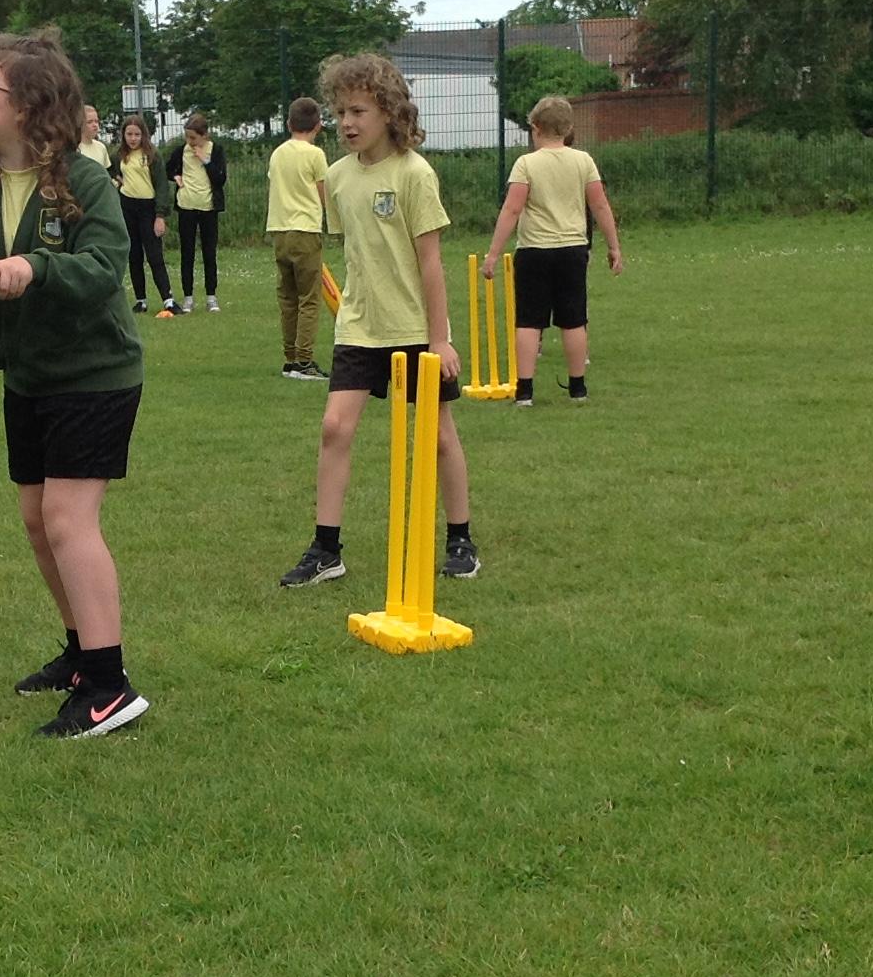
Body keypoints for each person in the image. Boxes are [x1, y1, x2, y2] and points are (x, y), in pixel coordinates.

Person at [0, 31, 150, 737]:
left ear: (26, 105)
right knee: (38, 522)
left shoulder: (86, 181)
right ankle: (80, 654)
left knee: (69, 520)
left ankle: (108, 686)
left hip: (94, 374)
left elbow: (103, 267)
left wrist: (36, 267)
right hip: (29, 376)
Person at [278, 53, 480, 587]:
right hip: (359, 329)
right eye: (340, 112)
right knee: (334, 428)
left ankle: (461, 539)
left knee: (438, 438)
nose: (346, 123)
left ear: (388, 112)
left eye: (358, 112)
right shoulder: (337, 177)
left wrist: (440, 339)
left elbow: (430, 263)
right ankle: (326, 550)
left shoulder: (415, 174)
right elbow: (359, 253)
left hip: (414, 330)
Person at [481, 95, 622, 406]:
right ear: (568, 128)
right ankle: (577, 389)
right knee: (573, 319)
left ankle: (525, 391)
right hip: (573, 250)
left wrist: (493, 253)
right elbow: (599, 205)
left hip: (534, 251)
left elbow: (512, 209)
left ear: (535, 127)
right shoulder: (583, 161)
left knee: (529, 321)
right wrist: (614, 246)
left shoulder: (526, 164)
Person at [265, 96, 332, 378]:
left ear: (289, 123)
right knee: (309, 298)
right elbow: (323, 192)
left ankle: (290, 358)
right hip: (305, 229)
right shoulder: (315, 155)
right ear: (317, 126)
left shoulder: (278, 153)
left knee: (288, 297)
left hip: (279, 230)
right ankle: (304, 361)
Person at [114, 112, 177, 314]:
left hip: (148, 208)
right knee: (134, 255)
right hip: (127, 207)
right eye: (129, 134)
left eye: (137, 134)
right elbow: (110, 172)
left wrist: (160, 215)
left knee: (154, 255)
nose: (133, 139)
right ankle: (140, 300)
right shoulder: (119, 155)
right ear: (123, 135)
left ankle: (168, 299)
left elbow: (161, 186)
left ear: (143, 135)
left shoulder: (152, 155)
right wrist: (117, 181)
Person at [166, 112, 227, 311]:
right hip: (187, 207)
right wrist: (175, 176)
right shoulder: (180, 152)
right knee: (187, 254)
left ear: (204, 135)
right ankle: (188, 298)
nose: (190, 141)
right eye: (187, 137)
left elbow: (220, 179)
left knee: (209, 253)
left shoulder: (216, 151)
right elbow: (168, 169)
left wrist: (206, 161)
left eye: (193, 137)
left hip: (208, 208)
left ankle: (211, 298)